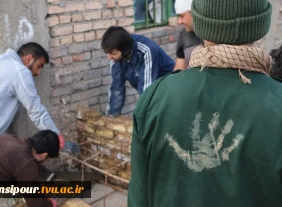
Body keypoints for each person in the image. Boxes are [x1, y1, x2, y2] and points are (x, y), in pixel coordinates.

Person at [128, 0, 282, 206]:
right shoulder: (276, 102)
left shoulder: (154, 97)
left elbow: (138, 198)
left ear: (201, 23)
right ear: (261, 25)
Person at [0, 42, 64, 148]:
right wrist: (55, 134)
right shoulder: (21, 73)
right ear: (28, 58)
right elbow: (37, 112)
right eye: (39, 66)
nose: (38, 72)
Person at [0, 130, 59, 207]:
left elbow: (33, 169)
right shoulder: (26, 162)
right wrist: (49, 204)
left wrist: (51, 178)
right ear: (44, 155)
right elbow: (34, 202)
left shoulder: (15, 140)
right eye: (47, 160)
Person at [101, 26, 175, 117]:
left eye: (113, 54)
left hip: (171, 90)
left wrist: (141, 120)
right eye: (108, 53)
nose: (109, 57)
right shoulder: (116, 57)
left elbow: (147, 91)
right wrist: (112, 115)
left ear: (124, 51)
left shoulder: (146, 51)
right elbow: (116, 87)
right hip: (155, 92)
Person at [174, 0, 202, 70]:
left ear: (194, 13)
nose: (179, 21)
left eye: (182, 16)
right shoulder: (184, 35)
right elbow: (179, 71)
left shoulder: (215, 34)